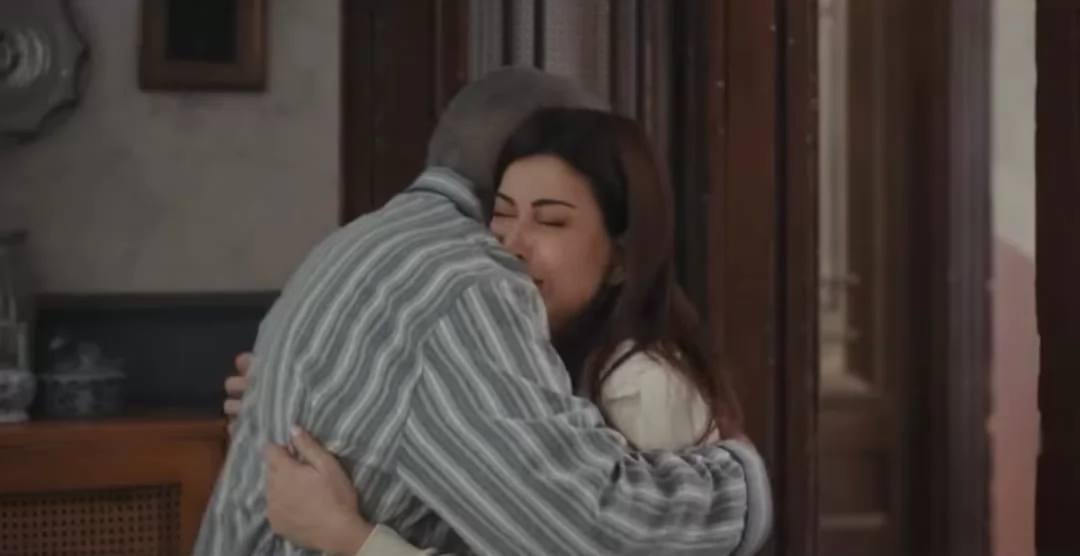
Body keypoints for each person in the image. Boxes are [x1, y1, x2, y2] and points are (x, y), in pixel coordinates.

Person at [198, 67, 770, 556]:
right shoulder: (467, 286)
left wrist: (352, 537)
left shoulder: (355, 245)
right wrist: (740, 484)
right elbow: (585, 530)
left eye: (552, 220)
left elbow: (583, 533)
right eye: (504, 212)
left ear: (622, 252)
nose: (511, 245)